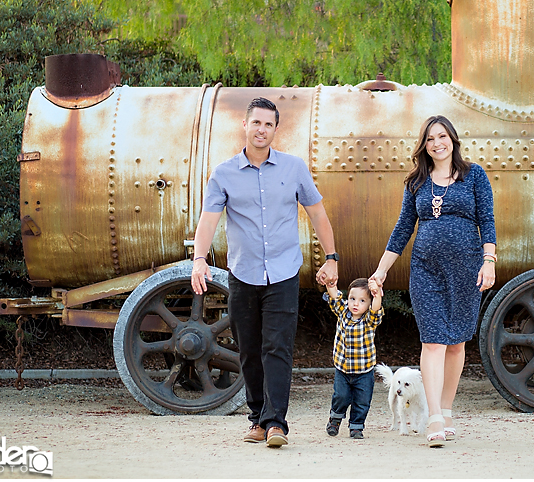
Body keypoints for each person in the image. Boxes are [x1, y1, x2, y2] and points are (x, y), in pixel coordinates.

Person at [190, 97, 339, 448]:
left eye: (268, 124)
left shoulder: (294, 168)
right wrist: (199, 259)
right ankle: (256, 418)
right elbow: (208, 221)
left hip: (283, 274)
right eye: (256, 123)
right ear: (245, 125)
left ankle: (276, 424)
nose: (262, 129)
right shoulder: (224, 173)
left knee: (277, 348)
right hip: (243, 275)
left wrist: (331, 257)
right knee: (249, 350)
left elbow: (318, 214)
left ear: (275, 129)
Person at [368, 115, 496, 448]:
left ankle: (447, 409)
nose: (437, 143)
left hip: (466, 269)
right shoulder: (417, 182)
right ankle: (434, 416)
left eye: (442, 136)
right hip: (425, 270)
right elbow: (402, 230)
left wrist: (489, 261)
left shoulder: (474, 175)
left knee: (456, 343)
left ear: (453, 139)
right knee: (433, 341)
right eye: (430, 139)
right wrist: (381, 271)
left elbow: (488, 221)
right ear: (424, 146)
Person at [323, 278, 384, 440]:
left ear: (369, 303)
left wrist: (377, 295)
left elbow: (376, 310)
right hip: (343, 369)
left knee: (362, 401)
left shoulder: (369, 320)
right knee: (340, 396)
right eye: (352, 299)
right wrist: (332, 286)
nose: (356, 304)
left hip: (364, 371)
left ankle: (356, 427)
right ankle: (335, 420)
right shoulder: (343, 312)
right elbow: (335, 299)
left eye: (362, 300)